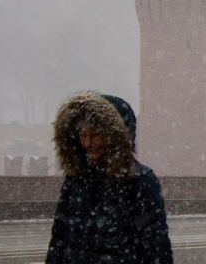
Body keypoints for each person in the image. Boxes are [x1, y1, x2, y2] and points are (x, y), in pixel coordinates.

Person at [46, 91, 172, 264]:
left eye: (95, 135)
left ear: (116, 136)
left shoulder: (140, 181)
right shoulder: (76, 179)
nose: (87, 144)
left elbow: (156, 248)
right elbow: (59, 241)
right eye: (83, 135)